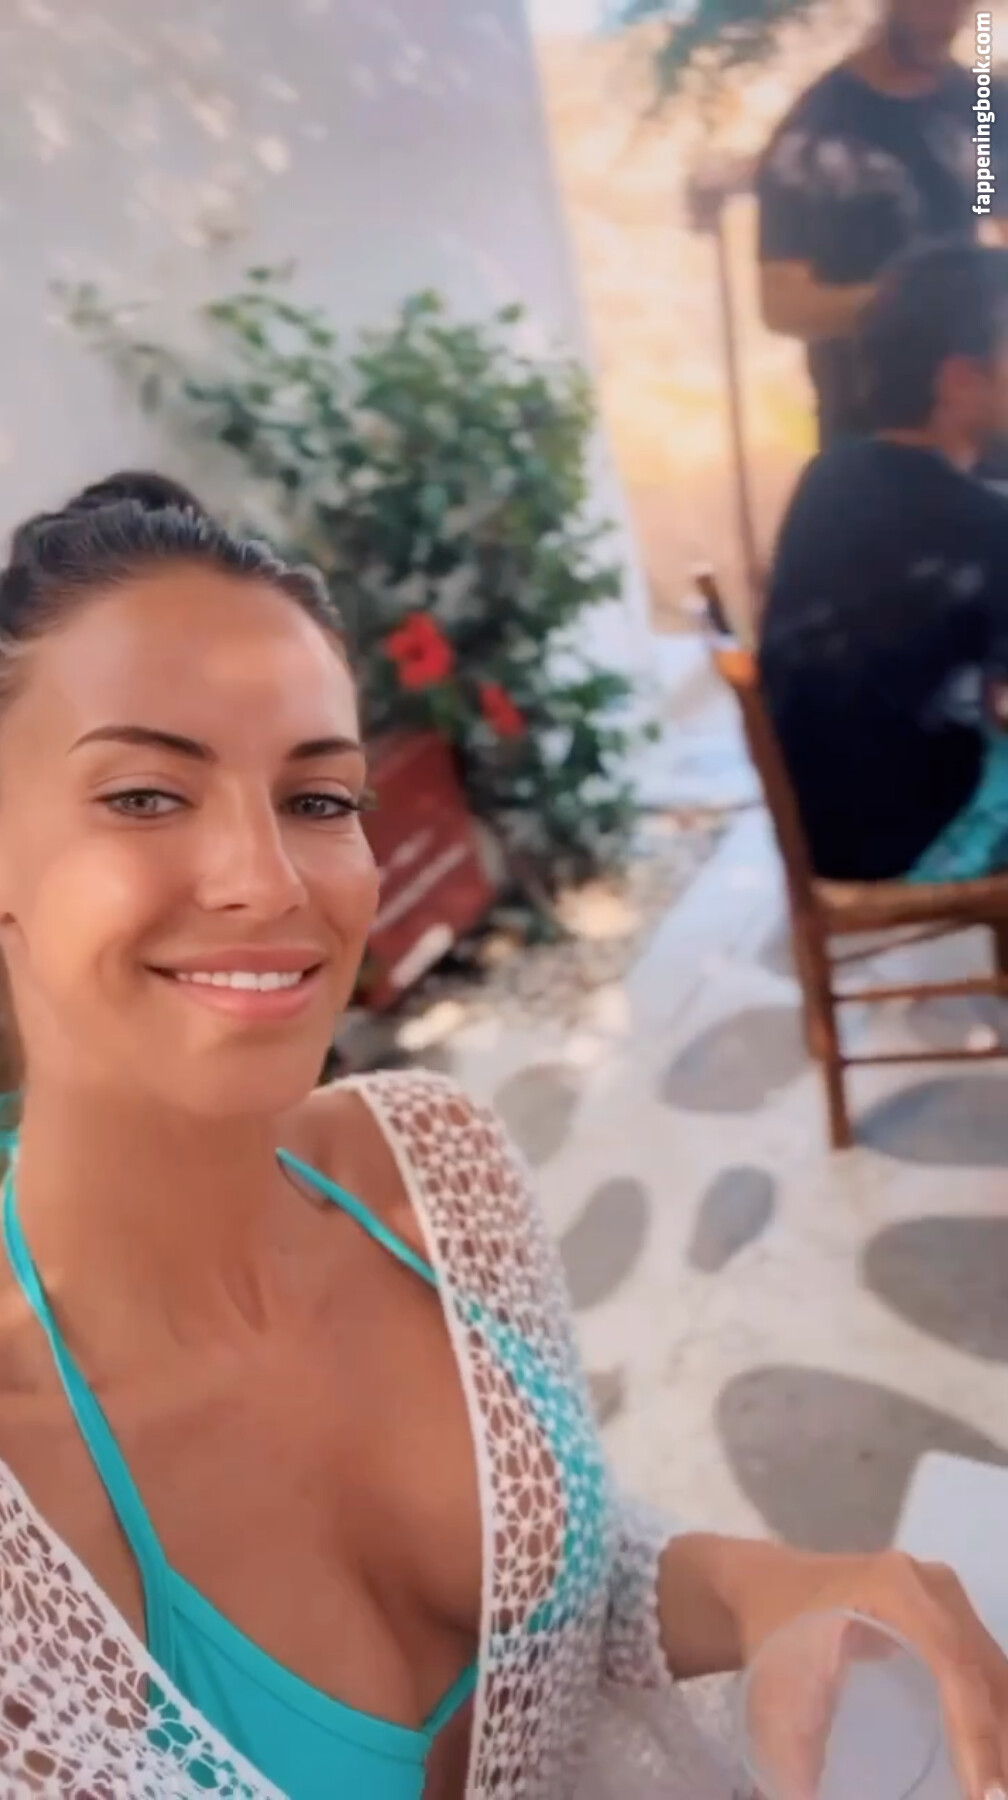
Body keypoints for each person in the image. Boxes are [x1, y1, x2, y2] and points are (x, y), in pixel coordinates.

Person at [0, 470, 1003, 1800]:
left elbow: (563, 1569)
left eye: (320, 798)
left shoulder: (432, 1167)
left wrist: (770, 1590)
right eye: (143, 795)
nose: (271, 881)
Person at [761, 241, 1008, 887]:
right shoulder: (986, 523)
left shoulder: (829, 475)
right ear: (960, 380)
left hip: (818, 826)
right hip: (906, 845)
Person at [757, 0, 1006, 448]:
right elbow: (782, 305)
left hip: (980, 429)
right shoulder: (816, 129)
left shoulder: (984, 107)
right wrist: (911, 302)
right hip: (869, 435)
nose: (947, 18)